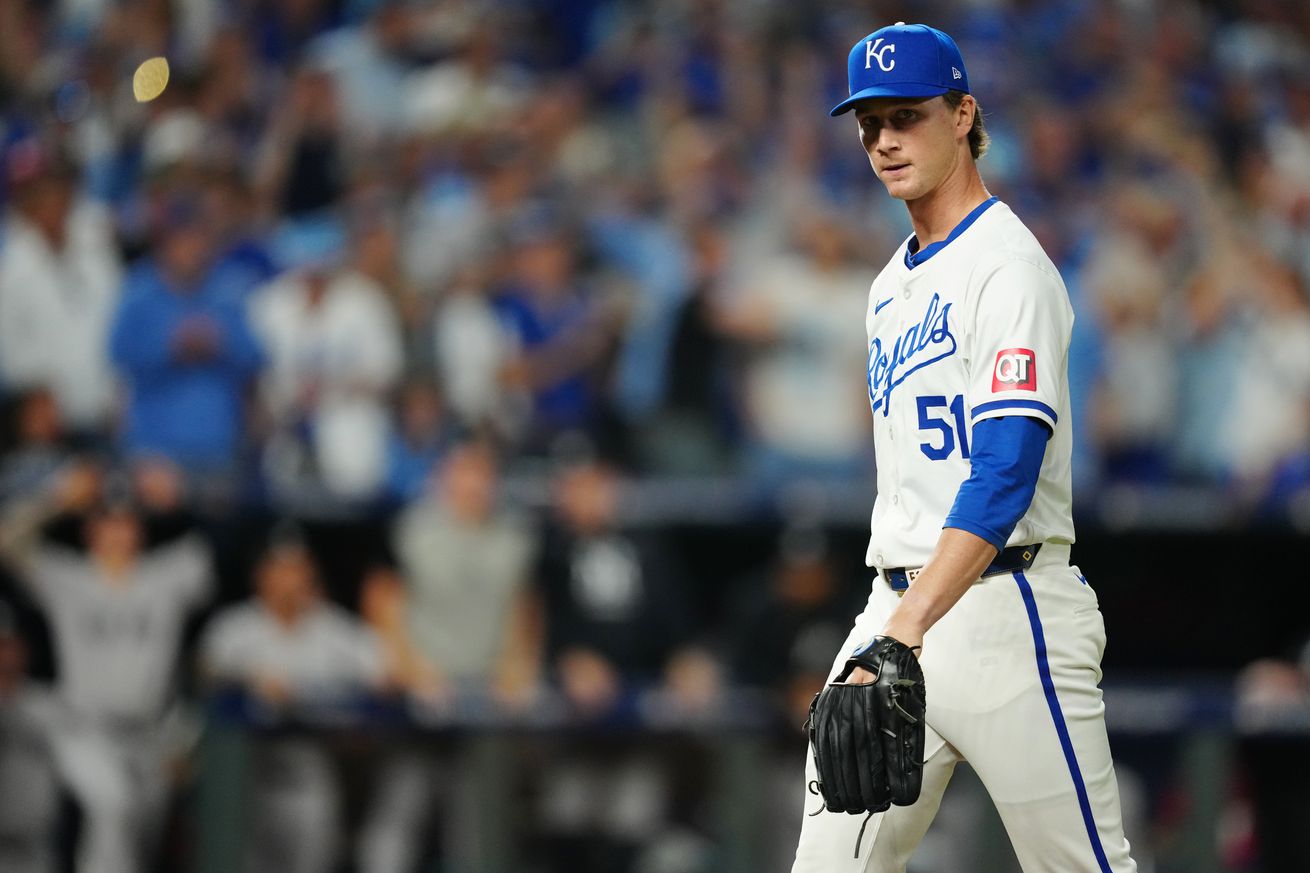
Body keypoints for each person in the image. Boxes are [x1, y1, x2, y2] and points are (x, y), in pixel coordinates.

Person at [791, 23, 1137, 872]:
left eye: (906, 116)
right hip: (897, 604)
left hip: (1007, 608)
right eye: (869, 123)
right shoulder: (888, 285)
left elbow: (1007, 467)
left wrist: (907, 625)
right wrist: (894, 622)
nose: (884, 141)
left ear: (962, 115)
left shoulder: (1008, 266)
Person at [0, 464, 214, 873]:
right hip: (87, 731)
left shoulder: (166, 574)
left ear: (140, 529)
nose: (117, 531)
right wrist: (56, 499)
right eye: (107, 522)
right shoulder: (66, 575)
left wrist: (181, 504)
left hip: (154, 735)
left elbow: (218, 552)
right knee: (111, 810)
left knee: (140, 841)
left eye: (125, 522)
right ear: (90, 530)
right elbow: (8, 542)